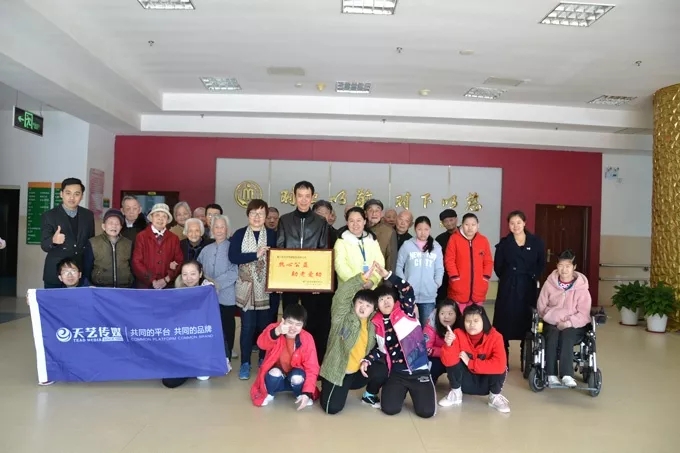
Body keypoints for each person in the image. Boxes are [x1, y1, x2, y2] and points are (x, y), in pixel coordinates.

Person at [360, 262, 436, 419]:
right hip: (397, 373)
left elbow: (408, 290)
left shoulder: (405, 311)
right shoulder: (377, 323)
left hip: (419, 371)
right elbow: (381, 349)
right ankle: (399, 392)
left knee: (426, 412)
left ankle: (422, 389)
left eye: (388, 298)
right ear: (377, 305)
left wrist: (388, 276)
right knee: (389, 409)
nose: (386, 301)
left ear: (394, 300)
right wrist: (367, 360)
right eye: (381, 299)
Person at [320, 266, 389, 414]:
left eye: (368, 305)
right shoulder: (341, 317)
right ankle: (331, 385)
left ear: (373, 309)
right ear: (354, 303)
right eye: (360, 303)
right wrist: (361, 279)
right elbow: (341, 296)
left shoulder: (374, 322)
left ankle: (369, 394)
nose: (363, 308)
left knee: (382, 369)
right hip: (339, 372)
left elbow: (390, 305)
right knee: (331, 408)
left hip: (359, 372)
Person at [277, 181, 329, 363]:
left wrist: (320, 283)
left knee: (311, 320)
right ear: (294, 197)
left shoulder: (320, 222)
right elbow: (279, 249)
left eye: (307, 196)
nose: (304, 200)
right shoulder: (284, 220)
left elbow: (323, 251)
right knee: (289, 319)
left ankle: (308, 359)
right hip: (289, 280)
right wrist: (278, 280)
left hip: (310, 280)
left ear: (312, 197)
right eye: (300, 196)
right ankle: (286, 358)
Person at [161, 260, 231, 388]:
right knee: (169, 381)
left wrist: (223, 356)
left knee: (203, 376)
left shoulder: (208, 291)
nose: (189, 278)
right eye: (185, 274)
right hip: (183, 341)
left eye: (193, 274)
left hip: (202, 342)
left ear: (200, 274)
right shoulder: (177, 292)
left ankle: (202, 364)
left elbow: (216, 327)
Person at [228, 199, 277, 380]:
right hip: (246, 288)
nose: (257, 217)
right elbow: (233, 257)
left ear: (266, 216)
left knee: (265, 327)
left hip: (267, 289)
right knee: (247, 328)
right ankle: (245, 363)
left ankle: (264, 360)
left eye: (261, 213)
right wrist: (255, 254)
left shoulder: (272, 235)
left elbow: (280, 260)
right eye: (253, 213)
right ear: (248, 215)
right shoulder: (240, 234)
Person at [493, 210, 546, 365]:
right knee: (504, 320)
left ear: (524, 223)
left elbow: (541, 263)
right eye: (512, 223)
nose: (515, 226)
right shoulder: (504, 244)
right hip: (508, 287)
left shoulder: (536, 242)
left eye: (518, 222)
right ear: (508, 225)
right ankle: (503, 357)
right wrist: (509, 276)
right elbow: (498, 267)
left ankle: (526, 353)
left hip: (528, 286)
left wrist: (532, 276)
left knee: (527, 319)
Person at [438, 305, 510, 413]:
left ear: (484, 321)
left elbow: (499, 365)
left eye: (476, 321)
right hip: (464, 382)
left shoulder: (496, 337)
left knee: (501, 367)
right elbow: (448, 362)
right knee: (452, 359)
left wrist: (470, 363)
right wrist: (449, 345)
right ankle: (456, 394)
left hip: (486, 383)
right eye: (468, 321)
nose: (472, 324)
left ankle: (494, 397)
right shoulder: (457, 333)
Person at [537, 250, 592, 388]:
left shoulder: (582, 288)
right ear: (557, 266)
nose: (564, 269)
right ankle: (551, 375)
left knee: (567, 335)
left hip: (574, 325)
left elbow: (584, 313)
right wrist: (553, 318)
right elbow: (541, 306)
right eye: (561, 265)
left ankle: (567, 375)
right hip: (551, 322)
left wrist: (568, 323)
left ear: (574, 267)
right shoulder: (549, 284)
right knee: (552, 334)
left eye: (568, 266)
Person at [250, 304, 319, 410]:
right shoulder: (274, 328)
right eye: (290, 322)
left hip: (295, 375)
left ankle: (300, 394)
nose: (293, 328)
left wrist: (307, 393)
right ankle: (270, 393)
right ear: (283, 320)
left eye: (298, 324)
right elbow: (261, 344)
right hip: (277, 373)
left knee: (298, 376)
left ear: (303, 326)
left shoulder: (307, 338)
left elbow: (312, 367)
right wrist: (277, 332)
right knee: (274, 373)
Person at [40, 177, 95, 288]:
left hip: (79, 274)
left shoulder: (88, 215)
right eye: (68, 193)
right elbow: (44, 245)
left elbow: (91, 242)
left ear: (81, 196)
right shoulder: (49, 216)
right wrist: (53, 240)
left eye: (76, 194)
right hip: (56, 273)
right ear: (61, 194)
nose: (72, 197)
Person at [198, 214, 238, 361]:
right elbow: (199, 269)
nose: (219, 230)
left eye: (222, 227)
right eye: (216, 227)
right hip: (208, 294)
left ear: (227, 229)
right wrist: (208, 282)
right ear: (212, 229)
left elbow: (235, 271)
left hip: (227, 293)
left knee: (227, 323)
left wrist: (216, 283)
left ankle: (228, 352)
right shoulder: (206, 249)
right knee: (211, 323)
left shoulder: (233, 247)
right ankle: (212, 351)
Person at [395, 216, 444, 325]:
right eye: (419, 229)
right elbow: (398, 266)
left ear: (430, 229)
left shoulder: (436, 247)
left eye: (426, 229)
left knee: (427, 329)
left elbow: (439, 268)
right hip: (408, 296)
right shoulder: (407, 245)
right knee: (409, 329)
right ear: (414, 229)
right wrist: (403, 285)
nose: (423, 233)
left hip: (428, 297)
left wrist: (436, 284)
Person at [444, 213, 493, 313]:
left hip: (478, 287)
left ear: (478, 225)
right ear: (462, 225)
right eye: (467, 224)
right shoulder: (454, 239)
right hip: (458, 288)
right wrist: (455, 278)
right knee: (459, 318)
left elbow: (488, 261)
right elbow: (449, 260)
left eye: (473, 224)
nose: (470, 228)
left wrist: (485, 277)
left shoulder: (483, 240)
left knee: (475, 317)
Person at [131, 203, 183, 289]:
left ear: (167, 220)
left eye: (164, 216)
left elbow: (179, 261)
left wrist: (166, 279)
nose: (160, 219)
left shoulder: (174, 238)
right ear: (151, 218)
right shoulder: (141, 236)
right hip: (145, 286)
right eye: (157, 215)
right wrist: (152, 280)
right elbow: (136, 262)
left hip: (167, 286)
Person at [334, 207, 384, 290]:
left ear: (364, 221)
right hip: (349, 289)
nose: (355, 224)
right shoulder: (341, 241)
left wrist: (373, 280)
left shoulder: (372, 239)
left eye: (358, 220)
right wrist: (358, 282)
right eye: (351, 221)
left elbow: (380, 262)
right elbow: (340, 266)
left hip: (371, 288)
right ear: (347, 223)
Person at [83, 209, 134, 288]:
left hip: (124, 288)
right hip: (100, 288)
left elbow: (133, 267)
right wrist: (89, 285)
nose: (114, 226)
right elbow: (87, 268)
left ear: (121, 227)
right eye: (110, 223)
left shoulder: (128, 243)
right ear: (103, 226)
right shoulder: (93, 242)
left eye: (117, 223)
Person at [424, 299, 462, 385]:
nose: (446, 317)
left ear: (457, 315)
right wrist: (446, 351)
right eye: (442, 313)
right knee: (432, 366)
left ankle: (456, 385)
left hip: (455, 357)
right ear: (438, 315)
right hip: (437, 357)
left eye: (450, 314)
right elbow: (426, 349)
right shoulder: (431, 326)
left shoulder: (461, 327)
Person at [363, 199, 398, 272]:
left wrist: (388, 278)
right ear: (365, 214)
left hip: (379, 275)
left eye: (377, 210)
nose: (374, 213)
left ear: (381, 214)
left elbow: (391, 260)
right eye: (370, 210)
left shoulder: (389, 231)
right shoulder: (359, 228)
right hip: (360, 274)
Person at [435, 209, 458, 302]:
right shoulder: (440, 239)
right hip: (444, 277)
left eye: (451, 220)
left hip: (460, 276)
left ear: (456, 219)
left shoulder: (465, 235)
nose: (449, 223)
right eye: (445, 221)